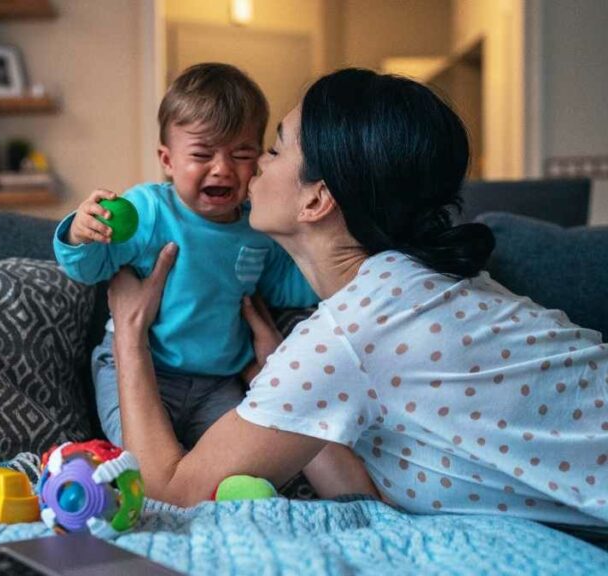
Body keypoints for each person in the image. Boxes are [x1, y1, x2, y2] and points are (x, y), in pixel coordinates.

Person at [108, 68, 608, 535]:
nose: (255, 162)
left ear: (315, 200)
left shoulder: (350, 333)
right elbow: (365, 501)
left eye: (276, 150)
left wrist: (130, 335)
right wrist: (278, 382)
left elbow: (170, 493)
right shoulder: (408, 289)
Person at [53, 63, 319, 450]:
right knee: (137, 456)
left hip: (218, 384)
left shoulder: (258, 225)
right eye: (202, 153)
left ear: (259, 159)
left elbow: (285, 285)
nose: (222, 168)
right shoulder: (147, 211)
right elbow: (89, 268)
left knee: (237, 457)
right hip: (143, 371)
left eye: (241, 154)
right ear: (167, 160)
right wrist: (80, 234)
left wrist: (341, 277)